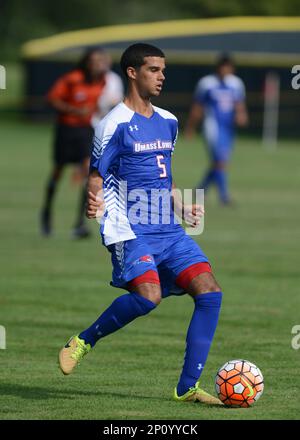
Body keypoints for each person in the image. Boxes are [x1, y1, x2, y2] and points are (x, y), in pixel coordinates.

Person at [58, 43, 223, 405]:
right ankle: (84, 340)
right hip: (128, 227)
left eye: (163, 70)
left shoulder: (168, 121)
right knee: (150, 297)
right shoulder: (112, 124)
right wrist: (93, 199)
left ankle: (187, 387)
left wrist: (181, 205)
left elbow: (163, 176)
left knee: (210, 293)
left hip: (168, 228)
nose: (162, 76)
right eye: (153, 70)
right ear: (132, 72)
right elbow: (97, 175)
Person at [40, 48, 109, 238]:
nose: (98, 64)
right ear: (87, 62)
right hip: (66, 131)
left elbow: (94, 104)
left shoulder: (102, 80)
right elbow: (52, 99)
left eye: (100, 61)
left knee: (88, 173)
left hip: (86, 131)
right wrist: (73, 110)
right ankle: (46, 214)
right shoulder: (72, 79)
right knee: (58, 171)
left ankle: (79, 224)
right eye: (94, 61)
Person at [185, 54, 248, 205]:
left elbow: (239, 103)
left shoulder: (236, 83)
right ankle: (224, 196)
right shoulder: (207, 83)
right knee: (220, 160)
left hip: (228, 128)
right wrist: (191, 127)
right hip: (212, 126)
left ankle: (201, 189)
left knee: (220, 161)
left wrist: (241, 114)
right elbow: (198, 107)